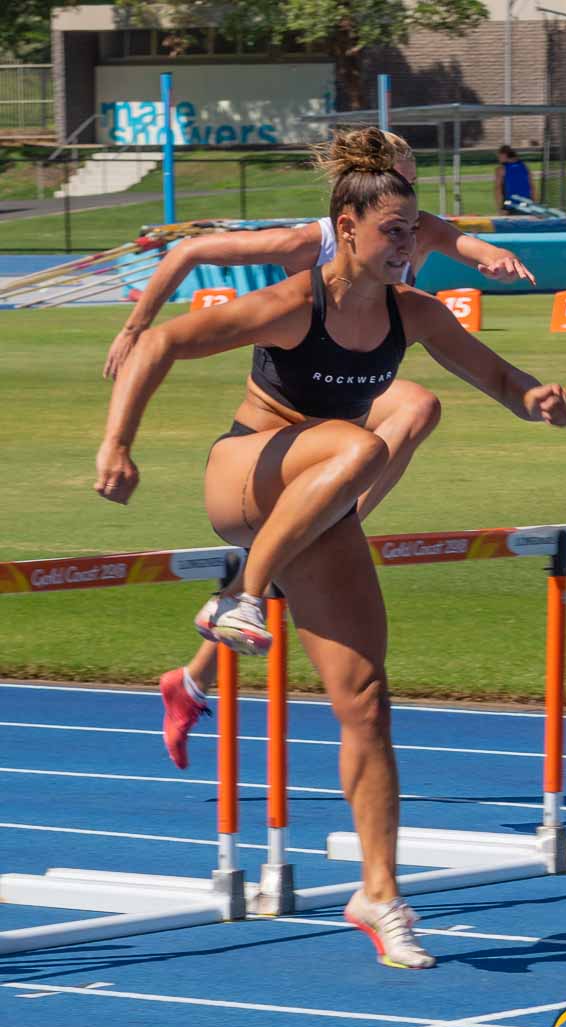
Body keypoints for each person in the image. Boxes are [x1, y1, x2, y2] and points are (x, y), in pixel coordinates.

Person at [94, 127, 566, 967]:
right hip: (243, 473)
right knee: (360, 447)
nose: (408, 245)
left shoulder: (414, 312)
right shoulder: (294, 299)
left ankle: (380, 894)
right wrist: (116, 445)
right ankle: (242, 595)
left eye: (413, 231)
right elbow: (166, 339)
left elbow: (495, 376)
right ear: (346, 228)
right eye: (394, 231)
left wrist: (538, 397)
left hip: (315, 504)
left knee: (368, 703)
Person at [102, 131, 536, 772]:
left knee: (417, 407)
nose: (412, 233)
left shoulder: (416, 230)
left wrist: (492, 255)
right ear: (359, 208)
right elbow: (192, 250)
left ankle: (322, 523)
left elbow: (462, 243)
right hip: (291, 411)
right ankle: (306, 532)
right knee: (370, 441)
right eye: (399, 213)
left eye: (416, 214)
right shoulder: (309, 246)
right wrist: (136, 325)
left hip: (351, 406)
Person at [494, 145, 535, 212]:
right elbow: (532, 187)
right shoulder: (525, 167)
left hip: (510, 204)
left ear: (504, 155)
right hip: (526, 204)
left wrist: (500, 209)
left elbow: (497, 189)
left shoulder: (501, 169)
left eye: (499, 157)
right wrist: (533, 204)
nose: (498, 159)